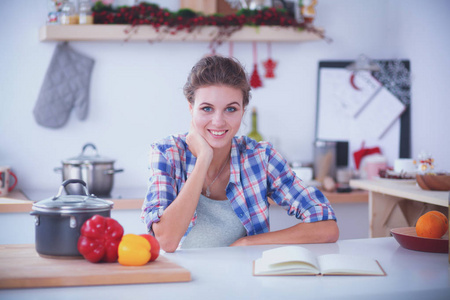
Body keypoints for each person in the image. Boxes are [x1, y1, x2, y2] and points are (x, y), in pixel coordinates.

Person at [141, 55, 339, 253]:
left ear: (243, 110)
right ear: (191, 108)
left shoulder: (261, 157)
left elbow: (327, 228)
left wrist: (249, 242)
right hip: (183, 279)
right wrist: (203, 159)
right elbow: (165, 241)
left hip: (245, 277)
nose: (218, 121)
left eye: (230, 109)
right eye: (207, 108)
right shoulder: (167, 154)